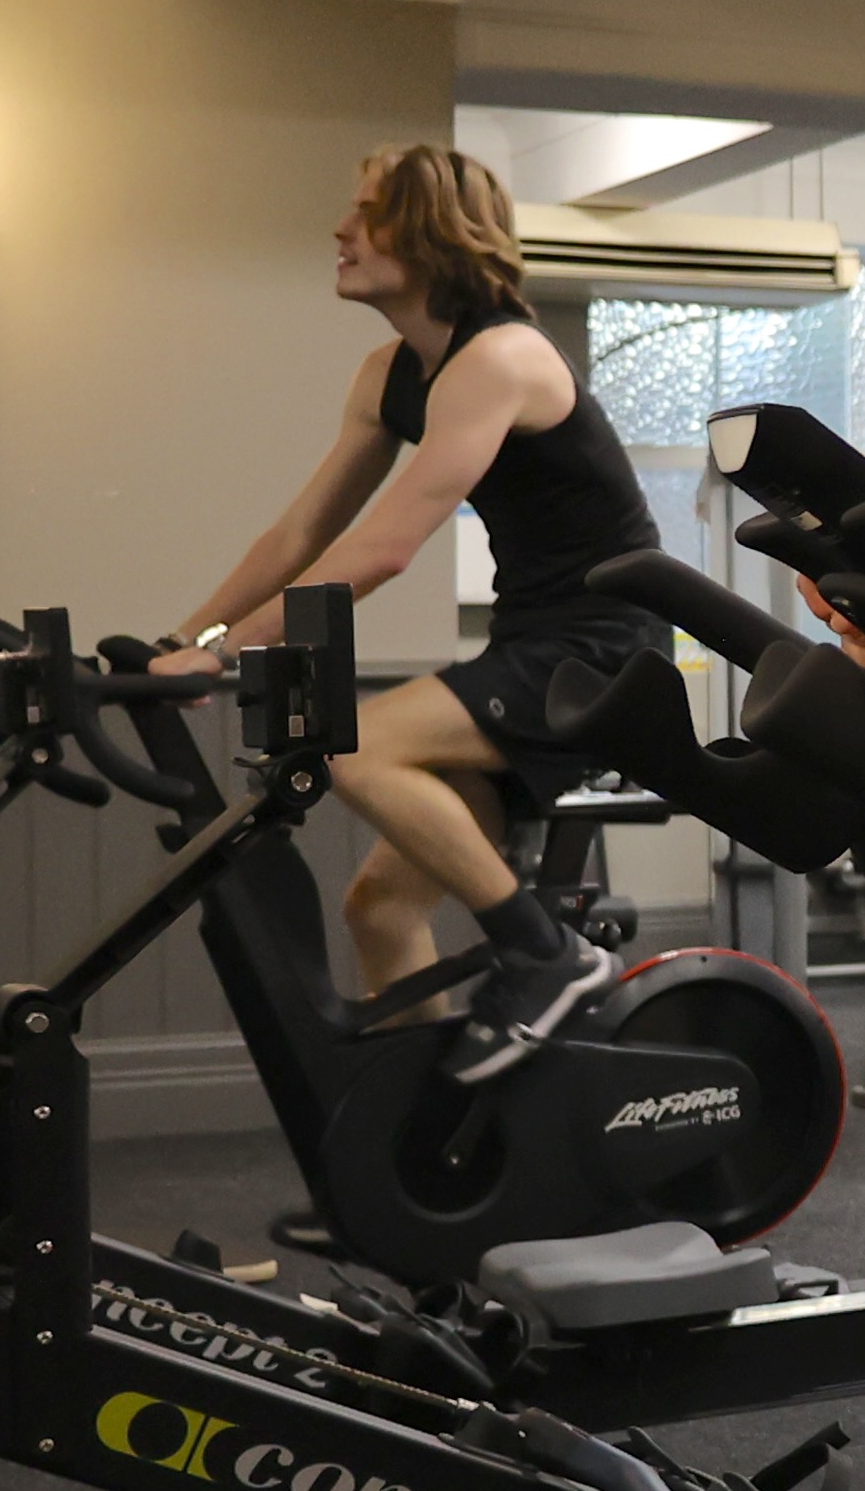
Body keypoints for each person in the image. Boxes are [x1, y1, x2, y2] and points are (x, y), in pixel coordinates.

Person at [162, 144, 667, 1082]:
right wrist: (183, 640)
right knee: (381, 911)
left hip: (603, 652)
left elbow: (386, 548)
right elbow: (302, 534)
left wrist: (227, 651)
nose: (341, 231)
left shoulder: (503, 358)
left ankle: (548, 955)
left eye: (367, 213)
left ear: (431, 232)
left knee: (355, 744)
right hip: (534, 647)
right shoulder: (388, 374)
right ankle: (420, 1136)